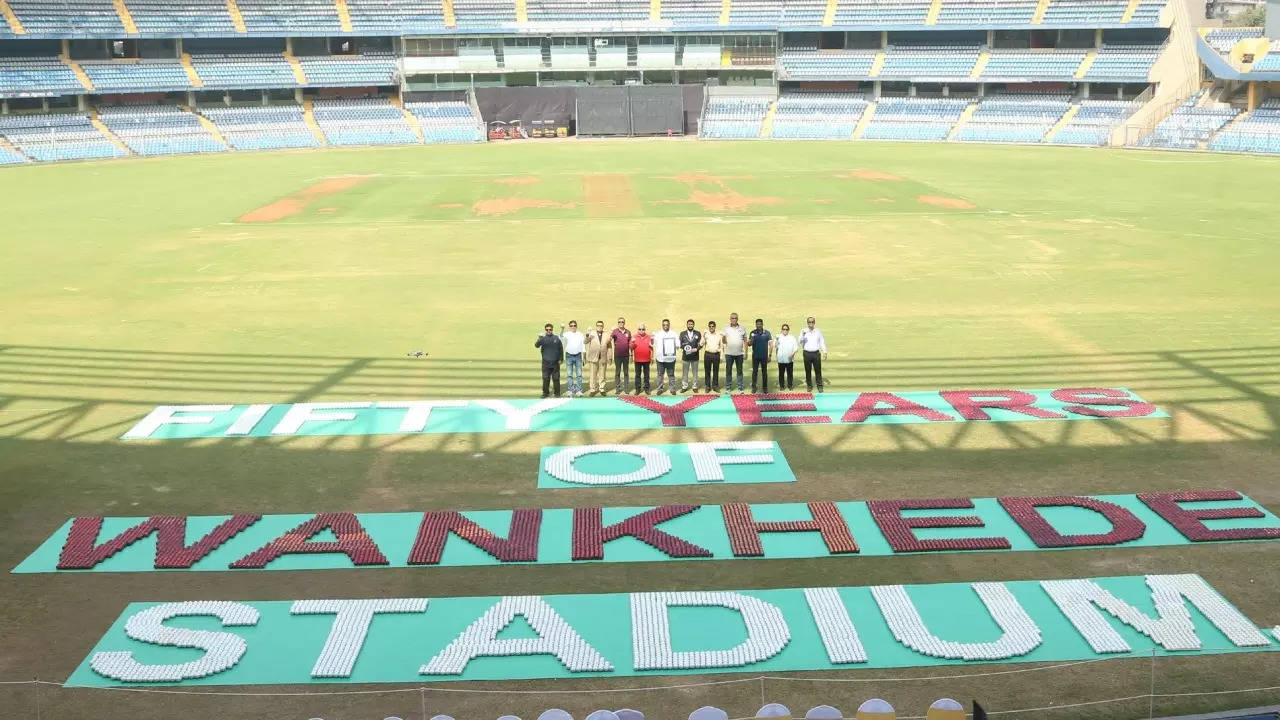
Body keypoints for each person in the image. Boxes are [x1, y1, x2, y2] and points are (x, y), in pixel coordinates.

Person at [534, 323, 563, 398]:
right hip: (546, 363)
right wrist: (539, 338)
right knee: (546, 379)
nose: (548, 331)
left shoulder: (556, 338)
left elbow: (561, 349)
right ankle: (545, 393)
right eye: (547, 330)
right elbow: (536, 345)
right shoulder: (543, 339)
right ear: (545, 330)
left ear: (552, 330)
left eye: (550, 329)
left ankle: (557, 393)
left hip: (555, 363)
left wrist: (561, 359)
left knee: (556, 379)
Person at [799, 316, 827, 393]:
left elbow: (822, 341)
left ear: (814, 323)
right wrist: (803, 335)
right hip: (807, 353)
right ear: (807, 323)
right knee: (808, 371)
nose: (810, 323)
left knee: (818, 371)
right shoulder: (803, 331)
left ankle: (820, 386)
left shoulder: (818, 331)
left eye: (812, 322)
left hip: (816, 353)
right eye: (809, 322)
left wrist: (825, 351)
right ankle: (809, 386)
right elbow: (800, 341)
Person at [652, 318, 679, 395]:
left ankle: (672, 389)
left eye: (667, 324)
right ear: (662, 325)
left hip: (670, 358)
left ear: (669, 325)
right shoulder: (657, 334)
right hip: (660, 359)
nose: (665, 326)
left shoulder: (674, 334)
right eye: (664, 325)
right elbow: (653, 344)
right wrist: (652, 338)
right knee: (660, 374)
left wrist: (675, 346)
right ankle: (660, 389)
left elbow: (677, 345)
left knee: (671, 375)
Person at [606, 317, 632, 395]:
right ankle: (618, 389)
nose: (621, 323)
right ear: (618, 323)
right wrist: (611, 334)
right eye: (619, 322)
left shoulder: (628, 332)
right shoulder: (615, 331)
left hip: (626, 356)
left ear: (624, 323)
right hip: (617, 356)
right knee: (617, 372)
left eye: (622, 322)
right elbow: (608, 341)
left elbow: (630, 344)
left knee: (626, 373)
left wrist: (631, 354)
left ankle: (626, 389)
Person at [584, 319, 609, 396]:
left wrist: (610, 357)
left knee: (602, 374)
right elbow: (585, 342)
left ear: (603, 326)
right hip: (593, 357)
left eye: (601, 325)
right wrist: (587, 335)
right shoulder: (591, 333)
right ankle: (592, 389)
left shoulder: (606, 334)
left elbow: (609, 346)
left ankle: (602, 389)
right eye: (598, 325)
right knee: (593, 375)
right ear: (596, 326)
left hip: (603, 357)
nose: (599, 327)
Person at [723, 312, 747, 393]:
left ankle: (740, 388)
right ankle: (728, 387)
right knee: (728, 371)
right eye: (732, 318)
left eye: (735, 318)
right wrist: (723, 338)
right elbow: (723, 341)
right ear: (730, 319)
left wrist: (746, 352)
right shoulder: (726, 328)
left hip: (739, 354)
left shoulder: (742, 328)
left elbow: (745, 341)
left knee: (739, 371)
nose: (734, 320)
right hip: (729, 354)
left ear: (737, 319)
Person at [560, 320, 585, 397]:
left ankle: (579, 390)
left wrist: (584, 357)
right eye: (571, 326)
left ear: (576, 326)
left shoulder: (580, 334)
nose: (573, 327)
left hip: (578, 356)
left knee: (579, 374)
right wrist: (562, 329)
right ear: (569, 327)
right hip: (569, 356)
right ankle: (571, 390)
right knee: (569, 374)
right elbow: (560, 337)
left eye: (574, 325)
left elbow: (583, 346)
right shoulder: (567, 334)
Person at [748, 318, 773, 394]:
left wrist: (770, 355)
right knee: (754, 372)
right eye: (757, 324)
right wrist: (751, 340)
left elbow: (771, 344)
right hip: (755, 356)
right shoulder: (752, 333)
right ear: (756, 325)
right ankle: (754, 387)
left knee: (764, 372)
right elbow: (749, 344)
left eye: (760, 324)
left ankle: (765, 388)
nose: (759, 325)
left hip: (764, 357)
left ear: (762, 324)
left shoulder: (767, 333)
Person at [700, 320, 724, 393]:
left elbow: (721, 346)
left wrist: (721, 356)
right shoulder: (706, 334)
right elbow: (701, 344)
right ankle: (707, 386)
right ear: (708, 327)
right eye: (710, 326)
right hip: (708, 354)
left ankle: (715, 386)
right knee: (707, 371)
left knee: (716, 371)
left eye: (712, 326)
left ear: (715, 327)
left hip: (716, 354)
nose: (711, 328)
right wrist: (703, 336)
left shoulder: (719, 335)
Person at [679, 319, 701, 393]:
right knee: (685, 373)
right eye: (689, 324)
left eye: (692, 324)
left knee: (695, 373)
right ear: (687, 325)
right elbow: (680, 344)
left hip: (695, 356)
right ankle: (684, 386)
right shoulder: (682, 333)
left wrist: (697, 349)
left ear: (693, 325)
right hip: (686, 357)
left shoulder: (698, 333)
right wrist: (685, 348)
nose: (690, 325)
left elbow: (700, 344)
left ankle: (695, 386)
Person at [631, 323, 653, 395]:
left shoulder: (649, 337)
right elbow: (631, 347)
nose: (641, 331)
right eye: (640, 329)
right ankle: (638, 389)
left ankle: (647, 388)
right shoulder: (634, 337)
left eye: (643, 329)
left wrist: (652, 357)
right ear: (638, 330)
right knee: (637, 375)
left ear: (645, 330)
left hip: (647, 360)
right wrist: (632, 343)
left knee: (646, 375)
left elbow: (652, 348)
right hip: (637, 360)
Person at [775, 323, 798, 390]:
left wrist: (792, 354)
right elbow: (775, 346)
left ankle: (790, 386)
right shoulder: (778, 337)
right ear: (781, 330)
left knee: (790, 374)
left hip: (789, 359)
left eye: (786, 329)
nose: (785, 330)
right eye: (784, 329)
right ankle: (782, 386)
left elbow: (796, 348)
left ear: (788, 330)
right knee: (781, 374)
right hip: (781, 359)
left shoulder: (792, 338)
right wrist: (776, 340)